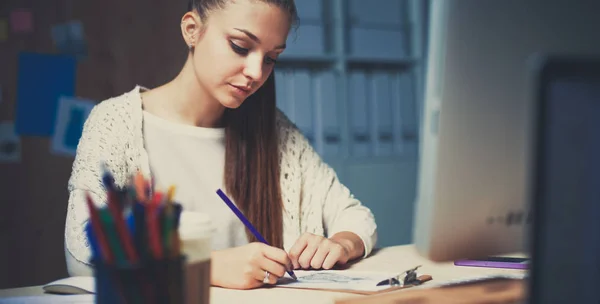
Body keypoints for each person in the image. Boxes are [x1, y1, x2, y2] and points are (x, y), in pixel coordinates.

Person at [64, 0, 377, 290]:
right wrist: (208, 267)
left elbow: (354, 216)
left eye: (271, 58)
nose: (256, 73)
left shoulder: (274, 130)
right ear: (192, 30)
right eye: (240, 47)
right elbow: (83, 250)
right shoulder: (117, 123)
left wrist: (341, 243)